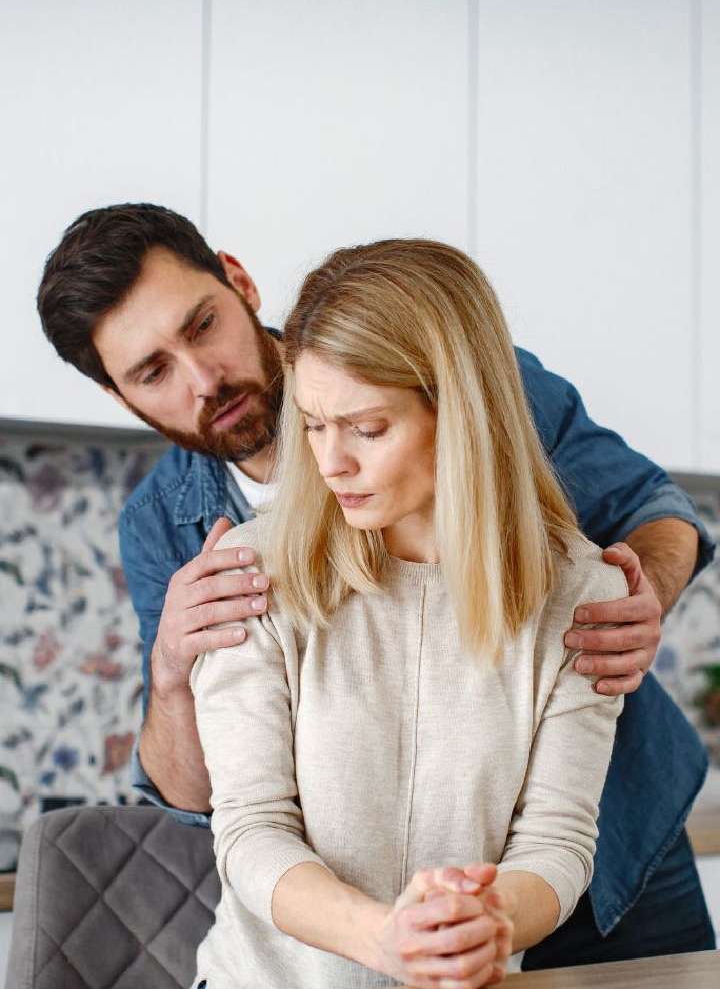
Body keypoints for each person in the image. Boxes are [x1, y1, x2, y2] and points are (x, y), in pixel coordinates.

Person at [36, 203, 716, 969]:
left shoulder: (461, 363)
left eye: (202, 326)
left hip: (614, 835)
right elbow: (218, 807)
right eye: (152, 372)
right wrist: (171, 674)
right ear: (119, 395)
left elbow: (651, 507)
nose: (204, 379)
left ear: (239, 282)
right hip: (338, 937)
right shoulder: (174, 529)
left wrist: (630, 609)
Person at [189, 236, 630, 987]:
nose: (331, 462)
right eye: (313, 423)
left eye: (367, 428)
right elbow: (250, 828)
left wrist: (489, 919)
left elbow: (557, 843)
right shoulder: (251, 573)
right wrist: (383, 937)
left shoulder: (582, 596)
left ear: (462, 412)